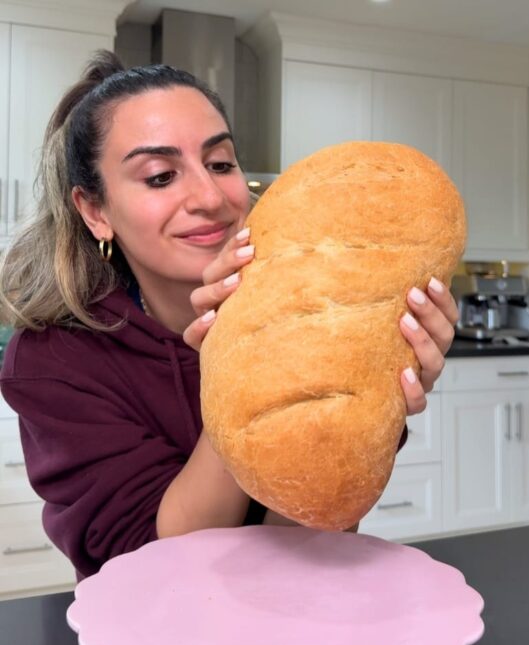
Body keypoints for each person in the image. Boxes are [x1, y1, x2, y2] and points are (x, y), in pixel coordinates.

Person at [0, 51, 458, 580]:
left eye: (221, 164)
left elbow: (308, 532)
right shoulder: (54, 360)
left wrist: (373, 392)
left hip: (292, 617)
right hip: (145, 640)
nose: (212, 197)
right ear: (95, 212)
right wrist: (240, 370)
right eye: (159, 176)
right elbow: (153, 567)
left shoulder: (315, 318)